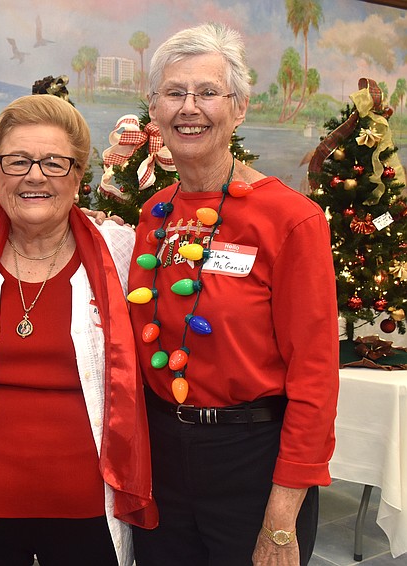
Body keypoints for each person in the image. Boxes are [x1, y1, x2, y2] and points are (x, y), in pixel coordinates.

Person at [0, 94, 157, 565]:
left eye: (54, 163)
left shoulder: (119, 253)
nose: (35, 176)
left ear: (78, 176)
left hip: (91, 513)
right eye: (17, 161)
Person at [126, 23, 338, 566]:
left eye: (207, 92)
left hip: (252, 463)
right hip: (162, 459)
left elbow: (315, 377)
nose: (188, 108)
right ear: (154, 109)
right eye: (174, 93)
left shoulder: (291, 219)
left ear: (239, 108)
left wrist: (281, 520)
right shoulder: (154, 215)